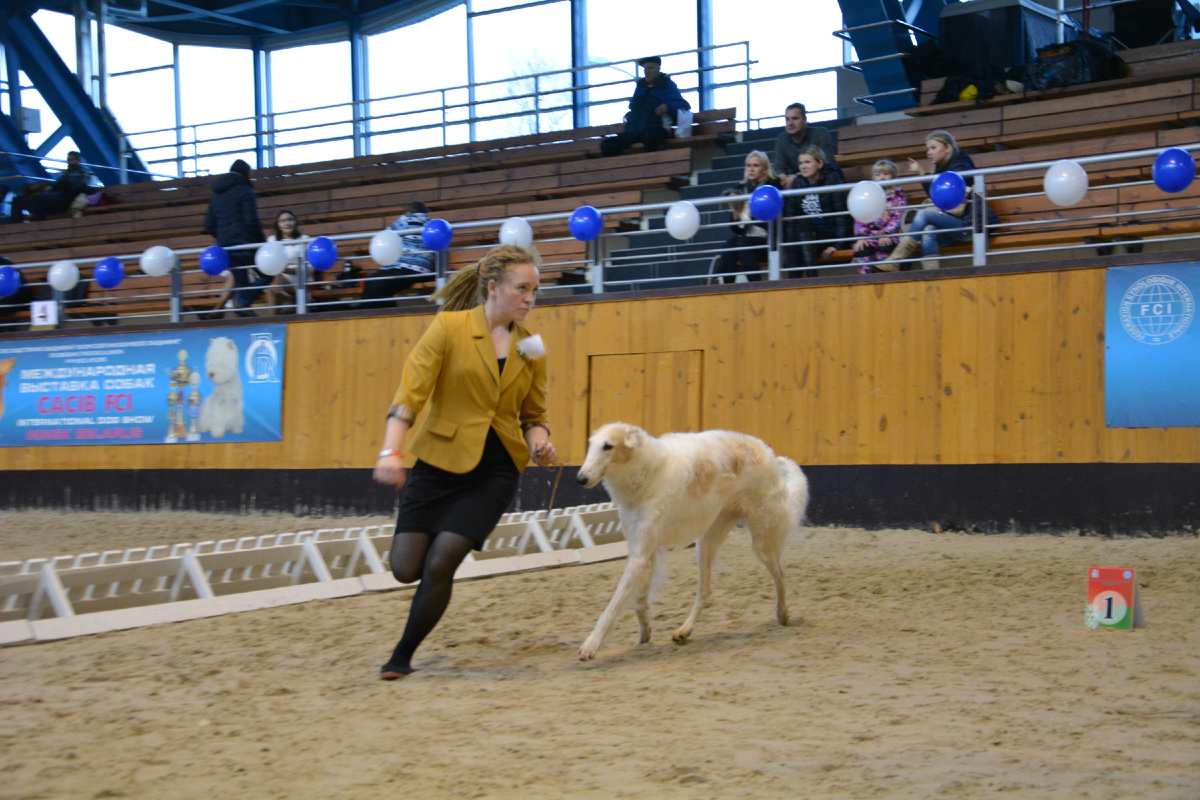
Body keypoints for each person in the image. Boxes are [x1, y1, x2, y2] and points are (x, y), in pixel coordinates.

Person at [371, 244, 556, 680]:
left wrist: (540, 442)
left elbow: (534, 414)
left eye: (535, 290)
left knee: (441, 563)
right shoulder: (449, 328)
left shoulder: (531, 347)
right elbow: (409, 395)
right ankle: (407, 639)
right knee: (405, 568)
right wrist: (390, 450)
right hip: (438, 462)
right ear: (493, 288)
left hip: (495, 469)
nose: (530, 298)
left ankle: (402, 655)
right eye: (522, 288)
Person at [881, 130, 999, 271]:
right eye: (928, 149)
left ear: (948, 148)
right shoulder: (942, 169)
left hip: (969, 224)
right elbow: (938, 197)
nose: (929, 152)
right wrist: (922, 173)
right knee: (928, 231)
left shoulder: (960, 167)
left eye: (933, 148)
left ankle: (896, 259)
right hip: (953, 224)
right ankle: (932, 275)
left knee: (924, 215)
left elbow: (950, 200)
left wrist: (923, 174)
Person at [202, 159, 270, 315]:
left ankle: (243, 308)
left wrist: (223, 237)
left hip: (226, 248)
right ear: (246, 173)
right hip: (245, 245)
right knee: (268, 274)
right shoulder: (245, 191)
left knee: (241, 281)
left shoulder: (216, 196)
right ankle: (243, 301)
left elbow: (208, 224)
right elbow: (251, 221)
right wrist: (262, 243)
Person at [599, 56, 691, 158]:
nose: (647, 72)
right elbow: (634, 106)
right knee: (607, 144)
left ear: (658, 69)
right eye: (645, 69)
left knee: (650, 138)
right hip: (635, 131)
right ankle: (625, 167)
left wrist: (667, 106)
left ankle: (650, 167)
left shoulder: (667, 85)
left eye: (650, 68)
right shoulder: (641, 87)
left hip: (656, 128)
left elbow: (683, 106)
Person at [715, 150, 781, 282]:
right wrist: (736, 213)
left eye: (755, 166)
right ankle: (728, 289)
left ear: (765, 169)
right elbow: (737, 230)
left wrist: (751, 214)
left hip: (767, 238)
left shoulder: (772, 187)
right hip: (747, 237)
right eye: (748, 165)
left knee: (742, 243)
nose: (751, 169)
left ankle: (755, 286)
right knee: (729, 245)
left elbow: (771, 221)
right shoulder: (740, 189)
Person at [785, 146, 851, 274]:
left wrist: (837, 245)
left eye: (807, 162)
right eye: (800, 163)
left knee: (800, 230)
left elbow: (843, 217)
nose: (803, 166)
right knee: (798, 228)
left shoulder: (832, 179)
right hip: (805, 236)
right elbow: (791, 218)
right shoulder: (798, 183)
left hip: (829, 236)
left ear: (820, 163)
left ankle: (807, 279)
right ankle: (799, 281)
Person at [359, 201, 434, 309]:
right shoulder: (429, 224)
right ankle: (372, 312)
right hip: (421, 270)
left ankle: (378, 314)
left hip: (405, 267)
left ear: (408, 211)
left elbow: (387, 235)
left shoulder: (406, 220)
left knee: (373, 285)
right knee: (376, 286)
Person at [850, 159, 908, 273]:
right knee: (862, 251)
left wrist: (887, 234)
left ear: (893, 177)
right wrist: (861, 236)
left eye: (886, 174)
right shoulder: (868, 195)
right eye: (878, 175)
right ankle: (866, 281)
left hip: (891, 235)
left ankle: (885, 279)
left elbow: (897, 217)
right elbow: (861, 217)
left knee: (884, 249)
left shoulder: (898, 196)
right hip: (870, 236)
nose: (882, 177)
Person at [6, 152, 91, 223]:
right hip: (56, 197)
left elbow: (76, 186)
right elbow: (58, 186)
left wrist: (60, 186)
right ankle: (15, 225)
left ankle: (40, 223)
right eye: (68, 160)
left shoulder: (82, 173)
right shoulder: (66, 174)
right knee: (17, 201)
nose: (69, 162)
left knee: (36, 199)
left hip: (64, 199)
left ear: (78, 161)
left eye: (71, 160)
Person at [772, 104, 835, 191]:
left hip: (823, 183)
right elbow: (779, 167)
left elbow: (828, 165)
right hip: (798, 186)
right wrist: (781, 176)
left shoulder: (821, 134)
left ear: (805, 120)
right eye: (787, 119)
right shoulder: (782, 139)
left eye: (795, 118)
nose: (790, 123)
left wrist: (797, 176)